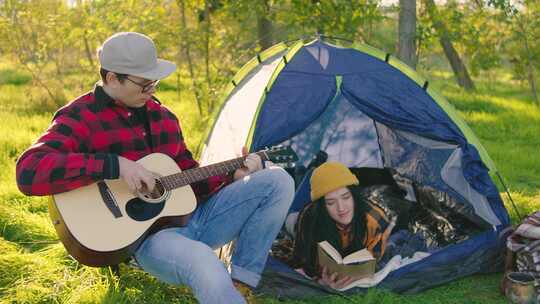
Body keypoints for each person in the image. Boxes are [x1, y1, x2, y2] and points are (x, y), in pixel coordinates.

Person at [15, 32, 294, 304]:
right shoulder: (80, 117)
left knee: (277, 180)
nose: (152, 91)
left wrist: (233, 176)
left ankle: (241, 283)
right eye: (144, 84)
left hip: (193, 219)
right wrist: (116, 166)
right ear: (112, 78)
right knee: (205, 263)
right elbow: (29, 171)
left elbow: (189, 178)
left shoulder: (164, 118)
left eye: (155, 83)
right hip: (149, 241)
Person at [290, 162, 394, 290]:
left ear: (354, 196)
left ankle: (311, 168)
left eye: (345, 197)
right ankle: (308, 171)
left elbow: (374, 261)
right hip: (295, 219)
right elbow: (300, 260)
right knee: (288, 217)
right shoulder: (309, 217)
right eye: (331, 202)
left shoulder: (375, 219)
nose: (341, 208)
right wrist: (319, 281)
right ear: (322, 207)